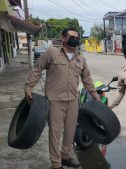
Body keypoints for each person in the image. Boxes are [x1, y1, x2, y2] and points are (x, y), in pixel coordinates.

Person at [25, 27, 100, 169]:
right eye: (72, 37)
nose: (75, 40)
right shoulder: (52, 52)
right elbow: (37, 69)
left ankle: (65, 156)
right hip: (55, 100)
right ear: (63, 38)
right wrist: (29, 87)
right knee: (55, 132)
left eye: (77, 37)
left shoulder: (80, 58)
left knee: (70, 131)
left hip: (73, 100)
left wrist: (96, 97)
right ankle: (55, 163)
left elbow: (87, 79)